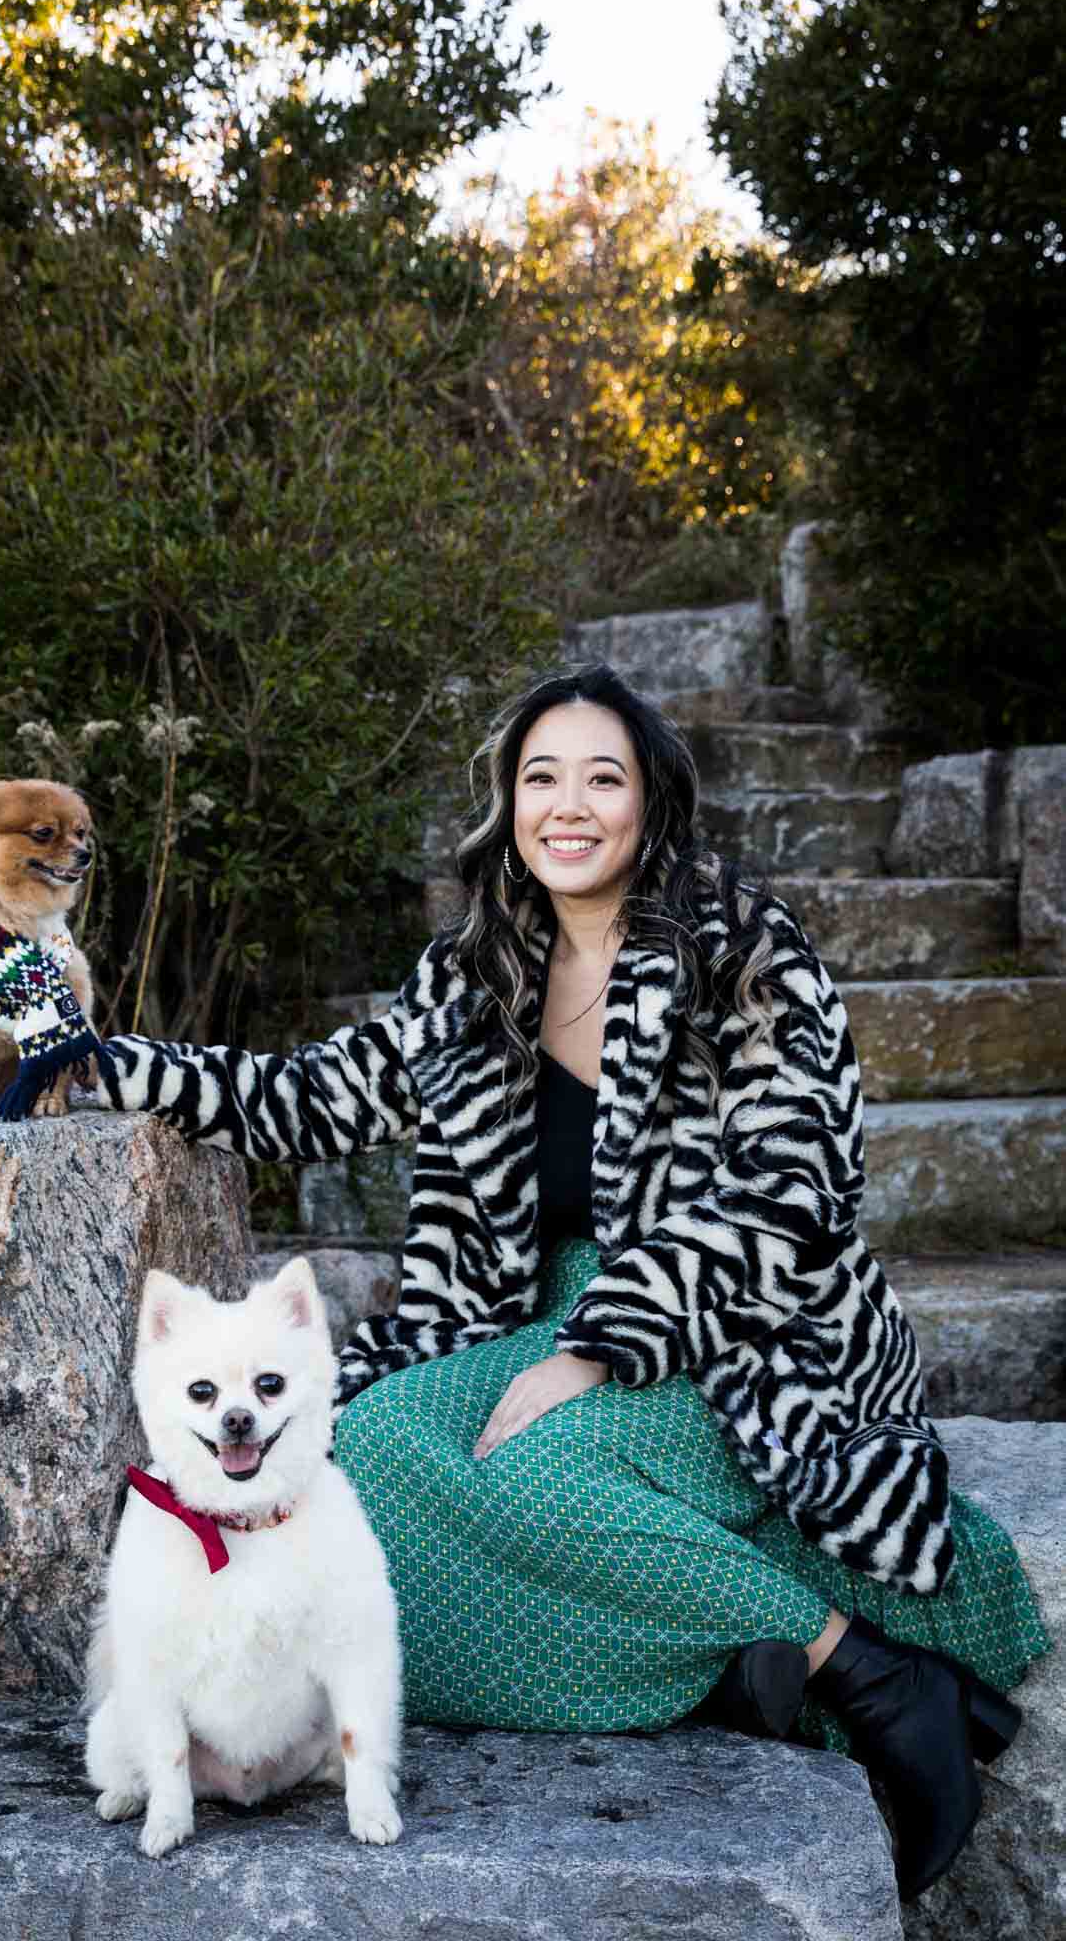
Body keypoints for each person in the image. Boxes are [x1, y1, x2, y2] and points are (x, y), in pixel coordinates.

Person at [93, 662, 1048, 1903]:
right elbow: (311, 1097)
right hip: (534, 1308)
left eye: (604, 775)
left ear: (651, 800)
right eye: (542, 775)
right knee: (365, 1456)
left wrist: (592, 1349)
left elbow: (795, 1193)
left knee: (544, 1468)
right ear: (508, 799)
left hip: (742, 1326)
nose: (569, 804)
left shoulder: (739, 947)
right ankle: (725, 1666)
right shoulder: (476, 966)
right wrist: (101, 1060)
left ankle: (862, 1670)